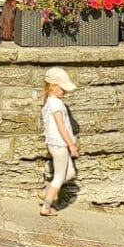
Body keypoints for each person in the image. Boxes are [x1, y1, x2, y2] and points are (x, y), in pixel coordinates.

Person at [39, 67, 79, 217]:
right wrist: (71, 145)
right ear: (53, 86)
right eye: (62, 88)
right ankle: (46, 207)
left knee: (70, 173)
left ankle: (46, 192)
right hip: (59, 144)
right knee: (59, 177)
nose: (65, 92)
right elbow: (61, 126)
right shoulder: (56, 104)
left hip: (55, 144)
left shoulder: (51, 102)